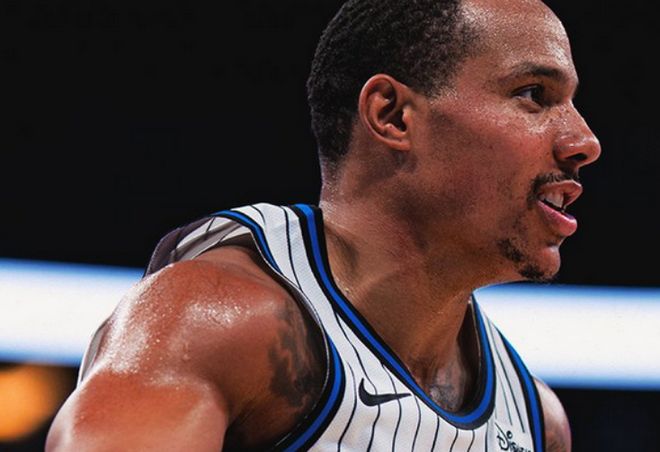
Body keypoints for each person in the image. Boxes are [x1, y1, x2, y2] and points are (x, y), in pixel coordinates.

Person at [46, 0, 600, 450]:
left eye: (573, 103)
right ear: (392, 115)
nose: (585, 142)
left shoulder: (535, 420)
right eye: (534, 95)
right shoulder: (214, 321)